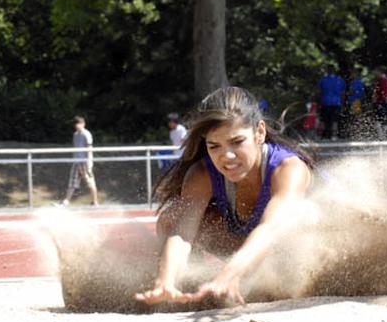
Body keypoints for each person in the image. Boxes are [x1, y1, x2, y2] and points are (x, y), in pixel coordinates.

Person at [135, 87, 314, 306]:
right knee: (171, 218)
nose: (227, 156)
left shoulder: (288, 168)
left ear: (260, 132)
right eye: (214, 146)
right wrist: (165, 279)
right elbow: (183, 232)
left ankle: (240, 283)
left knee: (295, 237)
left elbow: (272, 229)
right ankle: (188, 292)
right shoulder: (203, 173)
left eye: (237, 142)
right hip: (243, 244)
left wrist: (230, 273)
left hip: (292, 247)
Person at [61, 116, 98, 206]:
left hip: (85, 162)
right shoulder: (75, 134)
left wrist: (89, 161)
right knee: (72, 182)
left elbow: (90, 148)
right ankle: (66, 201)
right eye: (76, 124)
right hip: (77, 162)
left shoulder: (87, 134)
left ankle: (95, 202)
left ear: (83, 124)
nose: (77, 126)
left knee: (90, 182)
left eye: (79, 124)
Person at [318, 65, 346, 139]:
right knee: (335, 120)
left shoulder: (323, 80)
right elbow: (343, 93)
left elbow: (320, 92)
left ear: (327, 71)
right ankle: (334, 135)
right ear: (334, 71)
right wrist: (342, 104)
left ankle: (323, 135)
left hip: (325, 102)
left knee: (324, 119)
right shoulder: (340, 80)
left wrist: (319, 103)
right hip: (337, 102)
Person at [372, 66, 387, 138]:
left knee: (379, 119)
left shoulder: (383, 80)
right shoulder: (383, 79)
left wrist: (377, 98)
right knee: (383, 119)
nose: (374, 72)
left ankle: (381, 135)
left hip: (382, 102)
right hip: (383, 101)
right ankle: (382, 135)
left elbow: (384, 92)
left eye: (376, 71)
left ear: (380, 72)